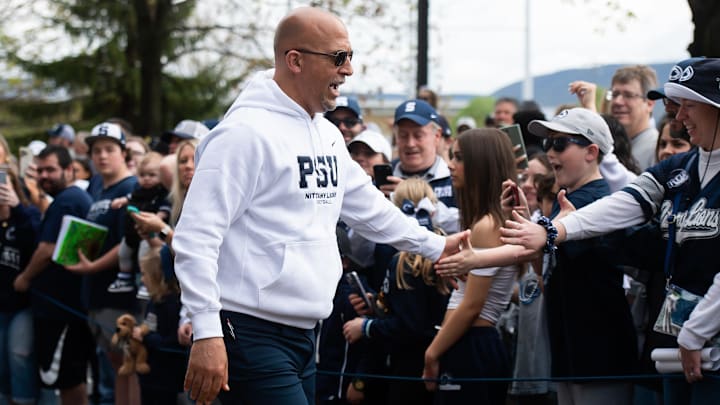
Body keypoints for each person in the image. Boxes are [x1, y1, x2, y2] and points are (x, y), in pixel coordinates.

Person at [171, 7, 468, 405]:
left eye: (350, 56)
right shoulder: (243, 135)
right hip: (250, 331)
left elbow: (368, 209)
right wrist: (206, 332)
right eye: (338, 57)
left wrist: (435, 246)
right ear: (295, 60)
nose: (348, 70)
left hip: (306, 332)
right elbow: (195, 239)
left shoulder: (326, 134)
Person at [500, 58, 720, 405]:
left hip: (693, 343)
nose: (678, 118)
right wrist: (554, 228)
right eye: (675, 107)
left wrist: (695, 334)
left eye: (688, 106)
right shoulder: (679, 168)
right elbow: (627, 200)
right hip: (672, 342)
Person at [423, 128, 521, 405]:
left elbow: (472, 306)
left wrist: (431, 354)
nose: (451, 165)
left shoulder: (487, 224)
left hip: (473, 344)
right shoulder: (488, 220)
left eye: (460, 158)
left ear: (482, 164)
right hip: (471, 343)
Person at [343, 178, 451, 405]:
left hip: (410, 367)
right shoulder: (445, 248)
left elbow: (409, 325)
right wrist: (382, 301)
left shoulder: (404, 262)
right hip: (442, 360)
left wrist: (366, 326)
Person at [13, 146, 94, 405]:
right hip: (64, 307)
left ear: (69, 170)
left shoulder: (68, 200)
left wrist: (24, 278)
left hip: (62, 310)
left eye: (51, 169)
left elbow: (47, 250)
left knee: (67, 380)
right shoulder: (68, 198)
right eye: (40, 170)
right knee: (68, 378)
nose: (44, 175)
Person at [66, 122, 140, 405]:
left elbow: (128, 242)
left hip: (120, 296)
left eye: (110, 149)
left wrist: (93, 267)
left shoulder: (131, 186)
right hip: (95, 292)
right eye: (96, 151)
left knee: (129, 364)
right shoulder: (97, 187)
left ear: (123, 153)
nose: (102, 156)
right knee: (115, 363)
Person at [384, 99, 459, 233]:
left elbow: (469, 224)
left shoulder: (455, 178)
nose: (410, 143)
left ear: (437, 135)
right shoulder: (384, 180)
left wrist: (413, 198)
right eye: (403, 135)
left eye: (418, 135)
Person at [0, 165, 41, 405]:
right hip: (1, 304)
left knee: (19, 354)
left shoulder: (28, 214)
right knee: (2, 362)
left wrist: (17, 207)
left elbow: (37, 243)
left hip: (24, 303)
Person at [569, 65, 659, 170]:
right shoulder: (613, 143)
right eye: (615, 94)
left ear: (649, 104)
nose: (617, 102)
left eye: (628, 95)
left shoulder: (656, 148)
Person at [106, 152, 170, 294]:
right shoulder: (138, 190)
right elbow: (130, 197)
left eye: (152, 175)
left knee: (145, 255)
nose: (146, 179)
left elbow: (165, 208)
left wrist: (157, 217)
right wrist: (121, 201)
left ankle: (145, 281)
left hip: (150, 233)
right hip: (132, 231)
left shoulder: (161, 192)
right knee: (123, 253)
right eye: (142, 175)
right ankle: (124, 278)